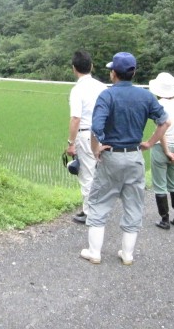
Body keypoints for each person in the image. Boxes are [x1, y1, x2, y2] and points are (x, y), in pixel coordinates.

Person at [80, 52, 170, 266]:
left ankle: (95, 252)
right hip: (134, 156)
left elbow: (96, 127)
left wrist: (96, 149)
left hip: (111, 157)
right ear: (134, 72)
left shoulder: (107, 96)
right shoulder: (146, 96)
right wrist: (148, 143)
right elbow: (165, 122)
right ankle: (127, 255)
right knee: (133, 205)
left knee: (99, 203)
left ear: (113, 73)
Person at [66, 50, 108, 224]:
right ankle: (96, 207)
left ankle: (89, 212)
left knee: (86, 174)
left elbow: (76, 118)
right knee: (99, 172)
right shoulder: (103, 87)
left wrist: (70, 143)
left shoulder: (77, 90)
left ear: (74, 69)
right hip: (103, 134)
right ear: (91, 66)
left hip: (85, 134)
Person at [148, 72, 174, 230]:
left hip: (161, 148)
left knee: (160, 185)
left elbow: (161, 130)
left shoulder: (159, 105)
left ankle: (164, 219)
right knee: (173, 183)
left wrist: (166, 151)